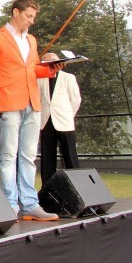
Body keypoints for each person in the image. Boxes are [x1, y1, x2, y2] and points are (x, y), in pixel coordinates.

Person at [0, 0, 59, 221]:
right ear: (16, 12)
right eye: (28, 16)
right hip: (7, 101)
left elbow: (33, 68)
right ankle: (10, 204)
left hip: (31, 101)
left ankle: (29, 204)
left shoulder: (31, 41)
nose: (31, 21)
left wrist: (51, 68)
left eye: (33, 17)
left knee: (28, 156)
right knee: (8, 155)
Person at [38, 52, 81, 185]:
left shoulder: (68, 78)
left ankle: (78, 187)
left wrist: (68, 115)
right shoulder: (39, 79)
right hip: (46, 121)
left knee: (70, 156)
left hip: (64, 121)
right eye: (49, 61)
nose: (53, 64)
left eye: (55, 61)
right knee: (47, 158)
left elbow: (76, 100)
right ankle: (47, 189)